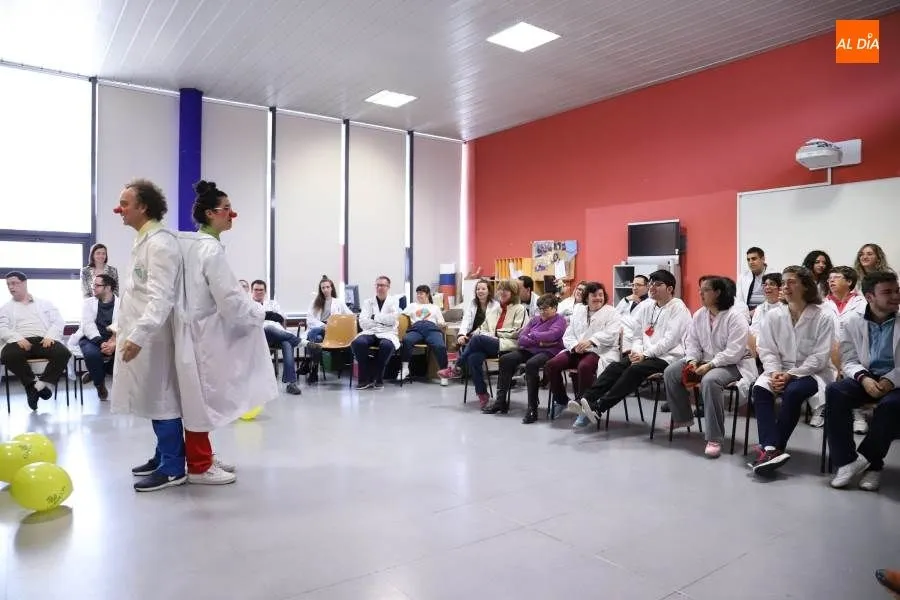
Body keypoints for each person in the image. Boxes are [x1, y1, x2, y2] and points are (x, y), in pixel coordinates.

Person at [174, 180, 279, 485]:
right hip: (204, 335)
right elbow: (231, 300)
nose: (232, 215)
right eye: (227, 209)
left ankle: (202, 456)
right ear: (210, 214)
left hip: (196, 331)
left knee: (199, 398)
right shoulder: (209, 251)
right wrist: (258, 314)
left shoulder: (197, 247)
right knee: (201, 398)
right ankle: (199, 465)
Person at [109, 179, 187, 492]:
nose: (120, 210)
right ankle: (162, 455)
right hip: (141, 333)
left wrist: (139, 334)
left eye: (125, 203)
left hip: (154, 337)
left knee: (161, 399)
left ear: (143, 207)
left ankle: (172, 467)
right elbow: (136, 293)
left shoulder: (160, 244)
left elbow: (161, 298)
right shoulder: (143, 240)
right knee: (151, 398)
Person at [747, 266, 834, 476]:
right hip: (779, 370)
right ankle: (770, 449)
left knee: (794, 391)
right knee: (760, 390)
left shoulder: (824, 316)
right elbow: (766, 348)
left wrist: (791, 375)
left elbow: (820, 357)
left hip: (814, 373)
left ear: (805, 286)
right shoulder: (775, 315)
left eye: (791, 282)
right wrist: (775, 372)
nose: (785, 287)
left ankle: (774, 448)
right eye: (784, 282)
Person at [576, 270, 691, 425]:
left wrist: (644, 355)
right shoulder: (647, 306)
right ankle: (585, 400)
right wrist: (636, 351)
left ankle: (600, 408)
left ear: (670, 289)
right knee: (616, 366)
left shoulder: (678, 308)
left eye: (658, 285)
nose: (652, 288)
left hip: (668, 357)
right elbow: (638, 335)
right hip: (645, 355)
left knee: (634, 370)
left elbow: (669, 341)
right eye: (651, 284)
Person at [663, 276, 753, 458]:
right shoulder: (699, 315)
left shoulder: (735, 317)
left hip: (733, 364)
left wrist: (711, 365)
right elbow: (693, 343)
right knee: (671, 372)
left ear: (718, 293)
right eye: (700, 289)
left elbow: (734, 352)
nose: (700, 293)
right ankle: (683, 418)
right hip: (704, 360)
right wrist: (692, 361)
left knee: (710, 381)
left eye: (705, 290)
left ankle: (714, 438)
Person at [826, 271, 900, 492]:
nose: (895, 296)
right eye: (887, 292)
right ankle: (846, 461)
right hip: (866, 375)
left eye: (897, 291)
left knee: (891, 405)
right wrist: (864, 379)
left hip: (896, 379)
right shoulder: (853, 320)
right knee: (835, 391)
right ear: (870, 297)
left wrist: (889, 380)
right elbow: (848, 359)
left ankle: (872, 464)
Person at [439, 279, 527, 408]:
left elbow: (519, 331)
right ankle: (482, 394)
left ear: (513, 292)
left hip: (508, 345)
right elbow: (482, 328)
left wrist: (495, 333)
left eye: (506, 290)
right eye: (500, 289)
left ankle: (456, 367)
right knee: (473, 358)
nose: (502, 292)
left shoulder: (520, 309)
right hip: (492, 344)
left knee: (477, 339)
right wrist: (468, 336)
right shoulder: (496, 310)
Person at [544, 282, 621, 424]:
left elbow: (612, 333)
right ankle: (561, 400)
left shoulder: (611, 312)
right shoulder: (579, 310)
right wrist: (574, 346)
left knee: (584, 367)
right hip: (577, 350)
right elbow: (569, 334)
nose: (598, 298)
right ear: (586, 297)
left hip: (599, 350)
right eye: (594, 295)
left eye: (601, 295)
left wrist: (591, 341)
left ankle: (584, 407)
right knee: (551, 365)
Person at [487, 293, 566, 423]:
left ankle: (532, 408)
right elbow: (521, 338)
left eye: (545, 308)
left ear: (554, 308)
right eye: (540, 309)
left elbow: (552, 335)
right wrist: (538, 341)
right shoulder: (535, 319)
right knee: (506, 359)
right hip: (531, 349)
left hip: (549, 352)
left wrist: (532, 335)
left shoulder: (560, 321)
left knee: (532, 364)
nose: (542, 312)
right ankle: (500, 402)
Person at [0, 271, 69, 410]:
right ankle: (32, 384)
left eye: (14, 283)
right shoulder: (5, 308)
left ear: (24, 283)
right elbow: (2, 328)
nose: (11, 287)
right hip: (18, 341)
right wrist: (17, 338)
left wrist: (50, 336)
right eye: (8, 284)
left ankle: (38, 386)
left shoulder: (45, 303)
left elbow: (58, 321)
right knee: (7, 355)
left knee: (63, 353)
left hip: (43, 339)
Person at [68, 273, 119, 400]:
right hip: (90, 338)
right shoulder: (88, 303)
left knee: (124, 354)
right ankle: (99, 384)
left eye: (97, 285)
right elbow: (88, 325)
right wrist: (101, 342)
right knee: (92, 355)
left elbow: (123, 325)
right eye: (93, 284)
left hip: (114, 338)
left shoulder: (122, 303)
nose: (93, 287)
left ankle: (95, 372)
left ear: (107, 288)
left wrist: (113, 343)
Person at [250, 280, 302, 395]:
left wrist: (267, 316)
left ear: (265, 291)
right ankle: (299, 341)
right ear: (251, 291)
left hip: (279, 335)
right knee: (269, 328)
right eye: (256, 290)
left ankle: (291, 383)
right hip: (261, 337)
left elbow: (281, 318)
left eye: (261, 290)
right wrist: (270, 316)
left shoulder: (273, 303)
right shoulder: (248, 305)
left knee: (287, 344)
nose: (258, 292)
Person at [351, 276, 400, 390]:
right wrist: (381, 322)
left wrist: (374, 317)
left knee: (386, 345)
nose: (379, 288)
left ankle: (379, 377)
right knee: (358, 343)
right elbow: (363, 322)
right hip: (370, 331)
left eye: (382, 285)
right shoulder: (368, 302)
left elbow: (392, 320)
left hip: (388, 333)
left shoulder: (394, 301)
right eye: (377, 285)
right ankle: (364, 379)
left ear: (388, 287)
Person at [304, 275, 351, 383]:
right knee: (317, 338)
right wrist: (323, 325)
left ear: (331, 288)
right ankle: (314, 370)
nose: (325, 289)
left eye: (327, 287)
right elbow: (310, 320)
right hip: (320, 329)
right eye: (323, 288)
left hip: (333, 331)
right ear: (320, 290)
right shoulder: (315, 302)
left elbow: (349, 315)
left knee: (314, 334)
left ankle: (308, 363)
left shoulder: (338, 302)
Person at [399, 285, 447, 381]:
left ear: (427, 294)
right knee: (407, 340)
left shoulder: (434, 307)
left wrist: (442, 325)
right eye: (417, 293)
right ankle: (405, 369)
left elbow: (441, 322)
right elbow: (401, 314)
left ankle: (444, 372)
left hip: (431, 329)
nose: (419, 295)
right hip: (416, 328)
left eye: (421, 293)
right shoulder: (412, 306)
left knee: (440, 346)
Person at [736, 246, 769, 316]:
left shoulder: (773, 275)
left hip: (766, 314)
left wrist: (757, 312)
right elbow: (739, 300)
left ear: (763, 259)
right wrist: (746, 315)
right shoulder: (743, 277)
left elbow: (774, 299)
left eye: (754, 259)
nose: (750, 262)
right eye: (748, 260)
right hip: (747, 315)